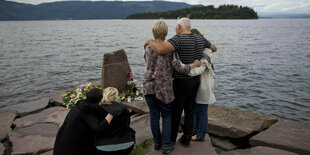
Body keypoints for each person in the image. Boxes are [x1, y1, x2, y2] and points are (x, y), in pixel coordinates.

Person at [145, 18, 217, 147]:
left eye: (176, 27)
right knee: (190, 110)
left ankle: (170, 140)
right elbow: (214, 48)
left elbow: (161, 49)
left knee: (176, 112)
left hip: (180, 81)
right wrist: (197, 61)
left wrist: (149, 41)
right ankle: (186, 138)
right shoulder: (200, 39)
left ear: (179, 27)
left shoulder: (177, 39)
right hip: (195, 80)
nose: (175, 30)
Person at [172, 28, 217, 141]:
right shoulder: (200, 50)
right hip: (198, 84)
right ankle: (194, 131)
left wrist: (186, 70)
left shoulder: (205, 52)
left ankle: (201, 134)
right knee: (195, 110)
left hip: (204, 85)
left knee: (202, 110)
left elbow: (200, 68)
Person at [53, 88, 113, 155]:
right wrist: (110, 115)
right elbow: (98, 128)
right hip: (73, 146)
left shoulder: (81, 104)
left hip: (63, 141)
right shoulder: (87, 112)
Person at [95, 87, 135, 155]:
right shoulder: (124, 109)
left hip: (103, 147)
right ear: (116, 96)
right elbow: (127, 125)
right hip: (126, 145)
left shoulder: (98, 109)